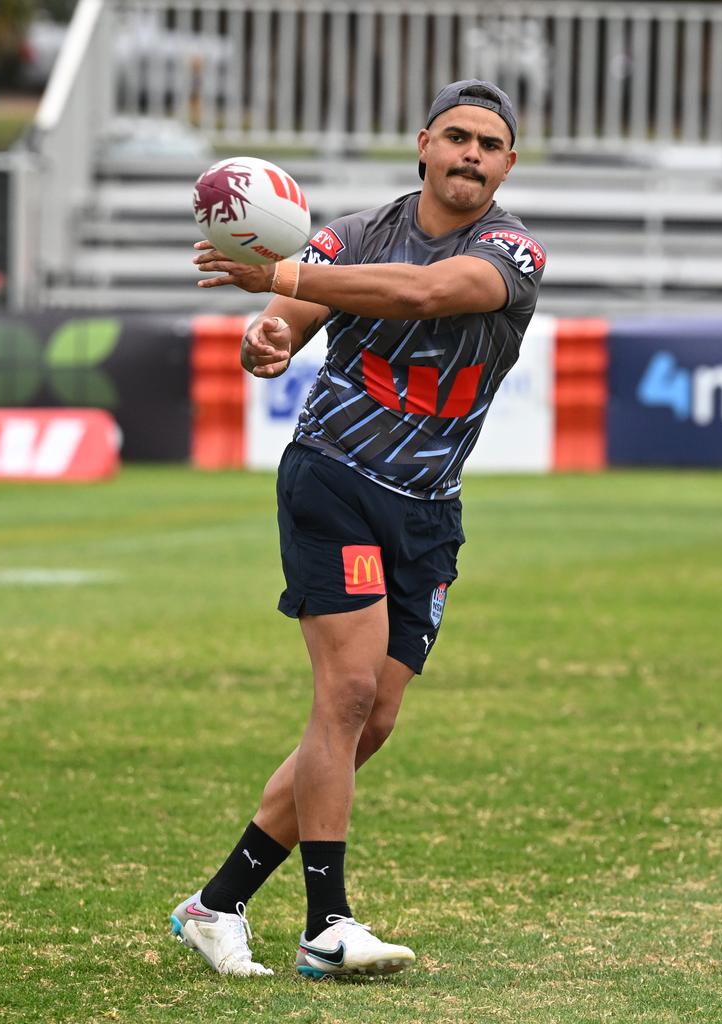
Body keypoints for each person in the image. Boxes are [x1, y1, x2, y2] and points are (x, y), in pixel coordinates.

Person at [171, 79, 545, 979]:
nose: (470, 155)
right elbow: (286, 324)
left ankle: (214, 906)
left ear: (508, 166)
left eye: (488, 145)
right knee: (341, 696)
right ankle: (327, 925)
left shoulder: (514, 252)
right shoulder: (349, 233)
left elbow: (423, 295)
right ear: (423, 143)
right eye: (455, 137)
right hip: (332, 479)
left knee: (370, 719)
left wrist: (285, 279)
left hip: (427, 509)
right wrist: (267, 335)